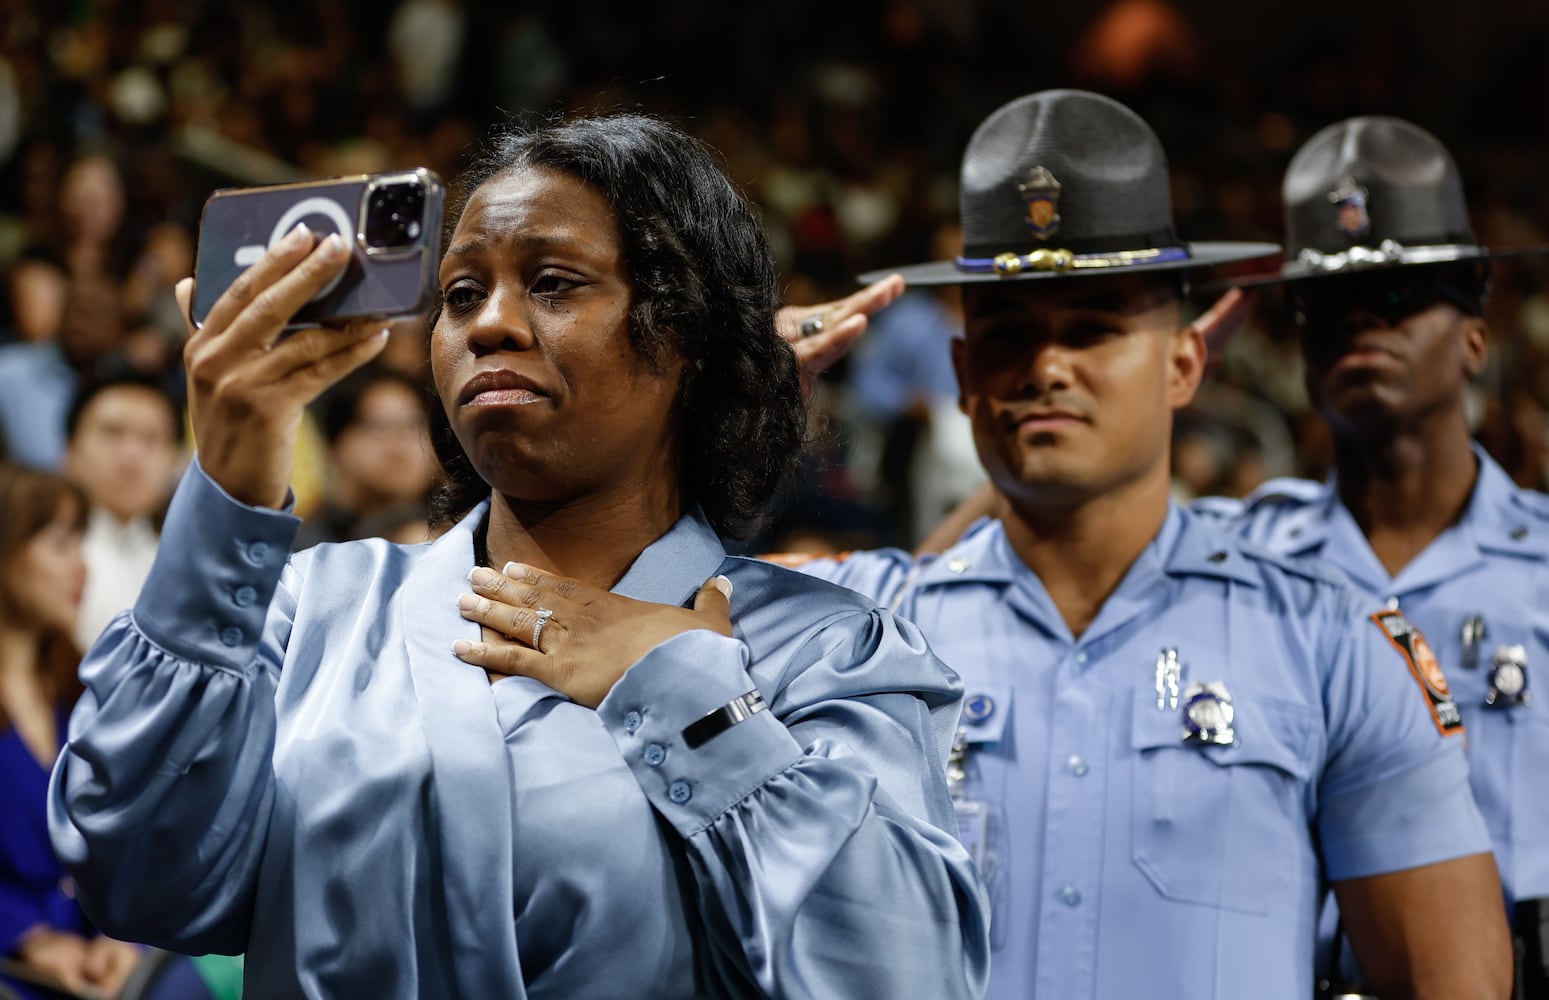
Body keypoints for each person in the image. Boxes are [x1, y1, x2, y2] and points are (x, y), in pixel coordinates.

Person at [49, 113, 989, 999]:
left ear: (683, 331)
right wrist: (228, 506)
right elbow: (139, 885)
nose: (489, 324)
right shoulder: (316, 606)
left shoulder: (822, 650)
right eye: (460, 295)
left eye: (553, 282)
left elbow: (902, 971)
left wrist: (682, 687)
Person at [779, 90, 1512, 998]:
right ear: (965, 377)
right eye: (1009, 338)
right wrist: (720, 400)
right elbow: (599, 619)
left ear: (1184, 363)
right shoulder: (862, 624)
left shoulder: (1329, 638)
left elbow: (1452, 982)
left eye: (1093, 328)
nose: (1047, 367)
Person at [1198, 115, 1549, 994]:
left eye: (1395, 295)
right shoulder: (1242, 564)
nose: (1360, 321)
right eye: (1322, 304)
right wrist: (1167, 371)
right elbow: (1009, 556)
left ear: (1475, 332)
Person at [62, 372, 184, 651]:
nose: (131, 456)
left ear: (176, 462)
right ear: (68, 451)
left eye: (151, 439)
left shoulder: (186, 569)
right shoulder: (32, 559)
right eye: (111, 433)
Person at [293, 363, 436, 549]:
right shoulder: (303, 549)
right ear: (337, 443)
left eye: (414, 426)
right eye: (380, 428)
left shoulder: (455, 535)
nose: (400, 449)